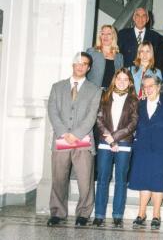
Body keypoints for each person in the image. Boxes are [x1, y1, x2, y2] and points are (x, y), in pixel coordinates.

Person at [47, 52, 102, 227]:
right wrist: (64, 132)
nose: (80, 66)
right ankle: (57, 212)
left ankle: (83, 213)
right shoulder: (57, 87)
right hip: (61, 138)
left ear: (88, 68)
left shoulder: (94, 90)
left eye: (84, 64)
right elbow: (52, 111)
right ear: (73, 65)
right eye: (78, 63)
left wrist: (76, 134)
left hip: (83, 140)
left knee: (85, 180)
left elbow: (91, 116)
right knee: (58, 178)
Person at [128, 75, 163, 230]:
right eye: (145, 86)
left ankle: (156, 215)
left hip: (162, 150)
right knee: (143, 181)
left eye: (151, 86)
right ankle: (141, 214)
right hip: (142, 148)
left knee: (158, 182)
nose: (148, 89)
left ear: (158, 86)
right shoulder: (139, 104)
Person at [92, 68, 139, 228]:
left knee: (121, 180)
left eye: (126, 79)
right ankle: (99, 215)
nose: (122, 81)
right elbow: (98, 119)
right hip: (105, 141)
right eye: (119, 78)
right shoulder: (104, 96)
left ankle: (118, 215)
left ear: (130, 82)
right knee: (103, 179)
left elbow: (133, 123)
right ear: (114, 79)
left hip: (124, 142)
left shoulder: (134, 100)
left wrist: (116, 137)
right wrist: (109, 138)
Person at [87, 25, 124, 89]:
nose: (105, 36)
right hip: (93, 92)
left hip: (111, 92)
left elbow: (120, 77)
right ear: (100, 36)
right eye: (103, 33)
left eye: (109, 34)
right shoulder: (91, 52)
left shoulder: (119, 57)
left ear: (113, 36)